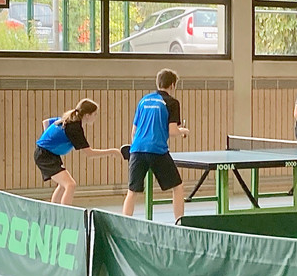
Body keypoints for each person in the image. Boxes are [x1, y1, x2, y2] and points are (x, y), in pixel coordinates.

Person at [122, 68, 189, 221]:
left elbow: (134, 131)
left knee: (132, 191)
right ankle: (179, 222)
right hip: (157, 150)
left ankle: (124, 223)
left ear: (158, 83)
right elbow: (172, 131)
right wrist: (183, 131)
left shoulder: (143, 100)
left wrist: (136, 149)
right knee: (178, 187)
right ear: (172, 85)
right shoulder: (172, 102)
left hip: (137, 149)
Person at [34, 98, 122, 205]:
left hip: (48, 154)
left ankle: (54, 212)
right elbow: (89, 153)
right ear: (87, 115)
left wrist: (49, 140)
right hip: (45, 156)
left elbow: (46, 122)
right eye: (95, 114)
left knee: (63, 185)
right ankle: (65, 214)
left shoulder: (68, 118)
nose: (96, 117)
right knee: (70, 185)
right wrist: (112, 151)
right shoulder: (74, 128)